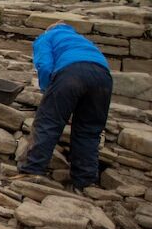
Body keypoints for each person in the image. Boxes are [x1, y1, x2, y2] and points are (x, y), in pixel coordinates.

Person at [14, 23, 111, 191]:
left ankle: (32, 169)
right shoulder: (82, 40)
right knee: (89, 130)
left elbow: (44, 65)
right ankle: (84, 181)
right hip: (103, 78)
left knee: (48, 122)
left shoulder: (46, 37)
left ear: (48, 29)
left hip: (71, 73)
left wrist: (47, 90)